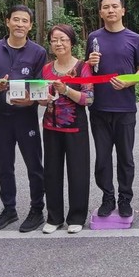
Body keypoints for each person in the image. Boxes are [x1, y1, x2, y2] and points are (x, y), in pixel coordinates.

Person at [0, 5, 47, 232]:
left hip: (26, 117)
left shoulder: (38, 52)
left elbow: (40, 84)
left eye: (25, 21)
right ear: (7, 21)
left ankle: (37, 210)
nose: (20, 24)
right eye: (16, 19)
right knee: (4, 167)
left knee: (34, 166)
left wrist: (31, 100)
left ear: (30, 25)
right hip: (0, 117)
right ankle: (9, 209)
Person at [86, 0, 139, 219]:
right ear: (100, 12)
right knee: (102, 158)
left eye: (114, 6)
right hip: (99, 108)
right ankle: (107, 197)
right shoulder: (93, 38)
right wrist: (88, 62)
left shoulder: (135, 39)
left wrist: (129, 81)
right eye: (106, 7)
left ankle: (125, 198)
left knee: (125, 158)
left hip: (125, 108)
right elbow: (87, 71)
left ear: (123, 10)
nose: (110, 10)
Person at [40, 24, 94, 234]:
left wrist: (66, 90)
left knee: (78, 173)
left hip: (75, 128)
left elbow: (88, 99)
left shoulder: (83, 67)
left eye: (63, 39)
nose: (59, 43)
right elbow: (41, 99)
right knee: (51, 173)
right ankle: (54, 217)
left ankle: (77, 217)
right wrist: (43, 99)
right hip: (50, 127)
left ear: (71, 42)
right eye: (54, 40)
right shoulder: (46, 68)